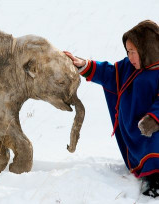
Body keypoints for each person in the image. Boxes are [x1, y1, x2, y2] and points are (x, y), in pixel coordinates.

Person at [64, 20, 159, 197]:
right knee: (145, 148)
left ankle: (154, 180)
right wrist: (83, 64)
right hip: (135, 130)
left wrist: (154, 119)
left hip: (153, 129)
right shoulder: (129, 67)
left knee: (154, 143)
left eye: (133, 52)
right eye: (128, 51)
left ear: (147, 48)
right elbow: (109, 72)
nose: (130, 57)